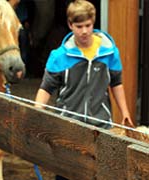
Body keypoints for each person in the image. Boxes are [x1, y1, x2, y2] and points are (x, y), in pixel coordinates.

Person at [35, 0, 134, 179]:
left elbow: (116, 83)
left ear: (93, 22)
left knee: (99, 173)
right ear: (70, 25)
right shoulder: (59, 56)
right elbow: (46, 87)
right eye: (79, 26)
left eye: (88, 25)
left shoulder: (109, 52)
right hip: (68, 127)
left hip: (101, 127)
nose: (84, 31)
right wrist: (36, 111)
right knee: (66, 174)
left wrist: (125, 112)